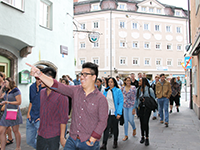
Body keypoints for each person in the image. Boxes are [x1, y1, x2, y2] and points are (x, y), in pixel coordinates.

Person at [26, 62, 108, 150]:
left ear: (93, 77)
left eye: (85, 75)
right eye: (81, 74)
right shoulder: (75, 90)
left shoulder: (101, 99)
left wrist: (92, 139)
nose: (81, 77)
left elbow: (102, 121)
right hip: (72, 140)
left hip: (88, 142)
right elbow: (57, 85)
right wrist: (40, 75)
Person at [35, 67, 69, 150]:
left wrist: (62, 137)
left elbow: (63, 118)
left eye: (41, 78)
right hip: (41, 133)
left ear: (49, 78)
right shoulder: (42, 92)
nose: (39, 81)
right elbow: (43, 111)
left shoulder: (62, 95)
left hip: (54, 135)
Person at [100, 77, 123, 149]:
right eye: (109, 82)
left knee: (115, 128)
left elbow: (121, 102)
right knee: (106, 128)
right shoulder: (106, 91)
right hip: (107, 112)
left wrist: (119, 113)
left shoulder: (118, 91)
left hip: (114, 113)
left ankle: (115, 141)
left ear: (114, 83)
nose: (110, 83)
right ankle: (104, 144)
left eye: (111, 82)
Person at [0, 77, 23, 150]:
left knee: (15, 131)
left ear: (10, 82)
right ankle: (2, 148)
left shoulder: (16, 90)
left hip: (14, 112)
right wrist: (2, 87)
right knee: (1, 131)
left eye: (5, 82)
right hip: (6, 113)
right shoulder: (7, 91)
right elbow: (0, 96)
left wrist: (7, 102)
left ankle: (18, 147)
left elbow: (19, 102)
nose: (5, 83)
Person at [132, 78, 155, 146]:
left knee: (146, 122)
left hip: (147, 108)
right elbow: (135, 99)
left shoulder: (149, 89)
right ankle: (142, 136)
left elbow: (153, 98)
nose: (139, 82)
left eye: (140, 81)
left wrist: (154, 108)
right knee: (141, 122)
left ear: (144, 82)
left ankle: (147, 137)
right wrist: (134, 108)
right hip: (140, 108)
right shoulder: (138, 90)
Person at [26, 76, 43, 149]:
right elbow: (31, 101)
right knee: (29, 140)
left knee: (40, 140)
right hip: (31, 116)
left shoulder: (45, 88)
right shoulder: (32, 87)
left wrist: (42, 117)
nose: (39, 80)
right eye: (38, 78)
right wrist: (28, 113)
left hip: (40, 117)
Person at [121, 77, 136, 141]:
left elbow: (135, 98)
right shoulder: (122, 88)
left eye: (129, 80)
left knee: (131, 119)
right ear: (125, 81)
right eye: (127, 80)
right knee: (126, 121)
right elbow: (121, 97)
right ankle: (126, 135)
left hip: (131, 106)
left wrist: (134, 108)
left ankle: (134, 128)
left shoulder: (133, 88)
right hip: (124, 106)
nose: (128, 82)